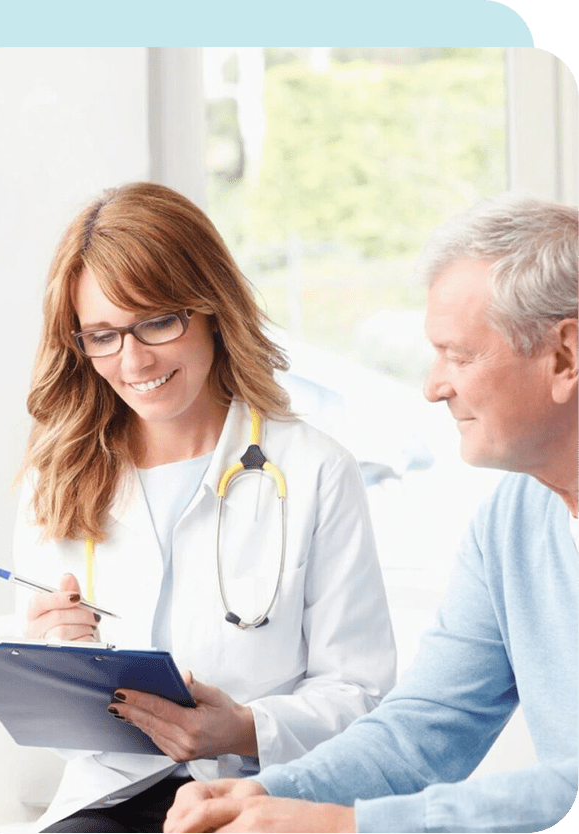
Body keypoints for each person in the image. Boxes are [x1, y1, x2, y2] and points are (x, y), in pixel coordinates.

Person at [164, 193, 579, 834]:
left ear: (565, 357)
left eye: (459, 355)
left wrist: (343, 826)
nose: (432, 386)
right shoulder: (512, 521)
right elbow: (423, 730)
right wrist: (264, 794)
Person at [12, 182, 396, 833]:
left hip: (261, 793)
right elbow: (53, 730)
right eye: (102, 335)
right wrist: (52, 662)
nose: (132, 361)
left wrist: (242, 729)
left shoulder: (313, 469)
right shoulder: (57, 476)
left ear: (212, 307)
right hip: (105, 799)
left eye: (157, 322)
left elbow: (361, 697)